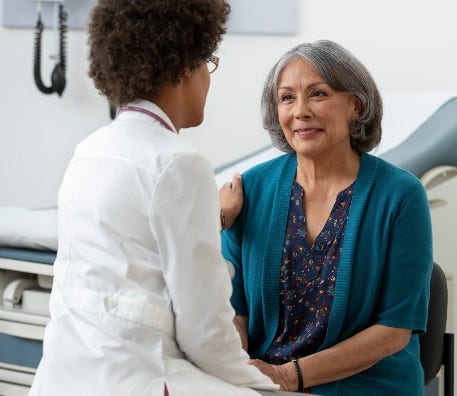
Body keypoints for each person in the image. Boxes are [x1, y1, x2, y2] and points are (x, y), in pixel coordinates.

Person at [28, 1, 276, 394]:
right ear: (183, 67)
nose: (209, 78)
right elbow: (205, 333)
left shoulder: (89, 151)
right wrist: (263, 385)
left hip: (64, 376)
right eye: (207, 62)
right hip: (139, 378)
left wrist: (215, 218)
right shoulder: (180, 163)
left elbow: (139, 248)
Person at [222, 40, 433, 396]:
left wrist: (291, 377)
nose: (300, 111)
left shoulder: (401, 195)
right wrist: (236, 364)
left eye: (317, 94)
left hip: (364, 386)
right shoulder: (251, 190)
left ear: (356, 105)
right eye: (287, 98)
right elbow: (232, 307)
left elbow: (394, 330)